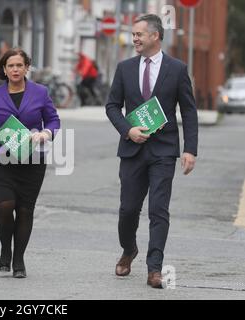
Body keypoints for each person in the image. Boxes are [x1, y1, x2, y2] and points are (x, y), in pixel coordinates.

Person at [105, 14, 198, 288]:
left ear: (155, 36)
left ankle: (154, 268)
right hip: (132, 150)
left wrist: (190, 149)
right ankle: (128, 248)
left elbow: (189, 112)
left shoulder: (178, 69)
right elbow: (112, 106)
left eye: (139, 34)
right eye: (133, 34)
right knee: (128, 210)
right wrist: (127, 130)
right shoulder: (124, 68)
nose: (134, 38)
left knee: (159, 210)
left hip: (164, 151)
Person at [0, 48, 60, 278]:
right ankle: (4, 249)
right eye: (11, 66)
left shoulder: (40, 92)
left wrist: (46, 133)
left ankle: (19, 260)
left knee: (25, 210)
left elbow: (53, 120)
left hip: (32, 161)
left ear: (27, 67)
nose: (15, 69)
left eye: (20, 65)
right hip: (2, 160)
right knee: (5, 205)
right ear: (5, 70)